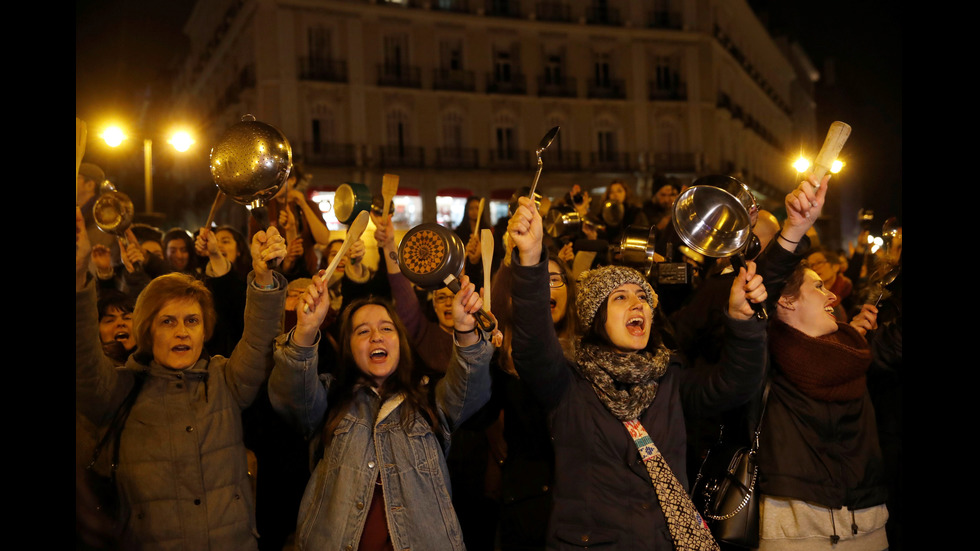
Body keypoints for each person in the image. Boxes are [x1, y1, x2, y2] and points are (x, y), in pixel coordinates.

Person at [506, 195, 769, 550]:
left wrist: (741, 322)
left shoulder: (670, 377)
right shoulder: (568, 383)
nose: (637, 303)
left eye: (643, 297)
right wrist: (531, 259)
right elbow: (532, 344)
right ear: (596, 318)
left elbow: (736, 384)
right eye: (620, 298)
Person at [76, 207, 288, 550]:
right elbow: (84, 362)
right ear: (146, 330)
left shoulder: (223, 380)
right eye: (167, 322)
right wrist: (77, 277)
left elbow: (260, 341)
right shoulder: (120, 388)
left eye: (192, 321)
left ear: (205, 331)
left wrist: (263, 278)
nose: (181, 333)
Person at [268, 270, 493, 550]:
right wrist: (305, 331)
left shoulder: (429, 399)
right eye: (363, 331)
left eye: (387, 328)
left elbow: (471, 389)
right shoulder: (329, 397)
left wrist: (466, 329)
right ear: (348, 346)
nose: (376, 336)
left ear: (401, 341)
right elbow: (289, 395)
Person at [750, 174, 888, 550]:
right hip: (796, 529)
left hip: (868, 521)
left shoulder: (854, 350)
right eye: (817, 286)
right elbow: (760, 290)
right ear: (786, 301)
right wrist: (795, 229)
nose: (831, 293)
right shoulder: (765, 354)